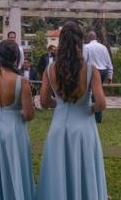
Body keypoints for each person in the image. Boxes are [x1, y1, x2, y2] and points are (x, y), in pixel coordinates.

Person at [36, 21, 107, 200]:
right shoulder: (91, 70)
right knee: (85, 170)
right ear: (80, 41)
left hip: (59, 126)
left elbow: (44, 102)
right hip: (84, 127)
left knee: (58, 172)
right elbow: (101, 103)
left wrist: (60, 104)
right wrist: (88, 108)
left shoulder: (50, 69)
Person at [0, 40, 35, 200]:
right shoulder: (21, 81)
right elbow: (29, 115)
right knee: (16, 166)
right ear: (15, 58)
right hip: (15, 127)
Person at [82, 30, 113, 123]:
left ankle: (92, 116)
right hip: (103, 71)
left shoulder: (86, 47)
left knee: (90, 93)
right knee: (98, 92)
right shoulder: (104, 47)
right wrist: (110, 75)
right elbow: (108, 62)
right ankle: (98, 116)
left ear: (88, 38)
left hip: (92, 70)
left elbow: (84, 61)